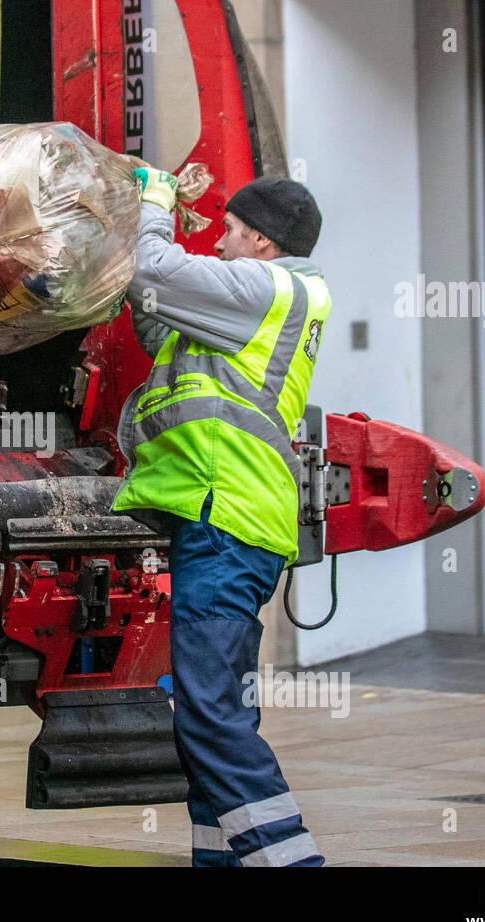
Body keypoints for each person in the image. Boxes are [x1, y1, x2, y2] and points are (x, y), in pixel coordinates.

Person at [111, 169, 331, 867]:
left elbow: (154, 268)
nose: (220, 239)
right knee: (212, 711)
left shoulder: (266, 287)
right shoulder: (250, 300)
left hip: (225, 517)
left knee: (208, 714)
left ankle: (290, 863)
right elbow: (152, 306)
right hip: (229, 520)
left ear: (262, 240)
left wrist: (152, 204)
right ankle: (224, 860)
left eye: (230, 229)